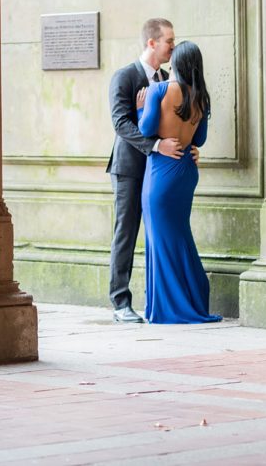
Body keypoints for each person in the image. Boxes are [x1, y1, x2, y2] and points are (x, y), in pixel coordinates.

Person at [105, 19, 197, 323]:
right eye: (169, 41)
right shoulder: (125, 76)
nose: (173, 46)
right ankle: (120, 302)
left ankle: (160, 302)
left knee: (161, 233)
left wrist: (190, 146)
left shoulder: (172, 79)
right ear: (152, 43)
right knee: (127, 232)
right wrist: (157, 146)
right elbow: (121, 124)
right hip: (131, 169)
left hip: (164, 172)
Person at [136, 40, 221, 324]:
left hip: (162, 172)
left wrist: (140, 109)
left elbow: (146, 129)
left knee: (160, 239)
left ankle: (174, 306)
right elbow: (200, 140)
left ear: (177, 64)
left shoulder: (159, 90)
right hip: (186, 170)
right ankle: (194, 297)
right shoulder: (201, 98)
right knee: (180, 235)